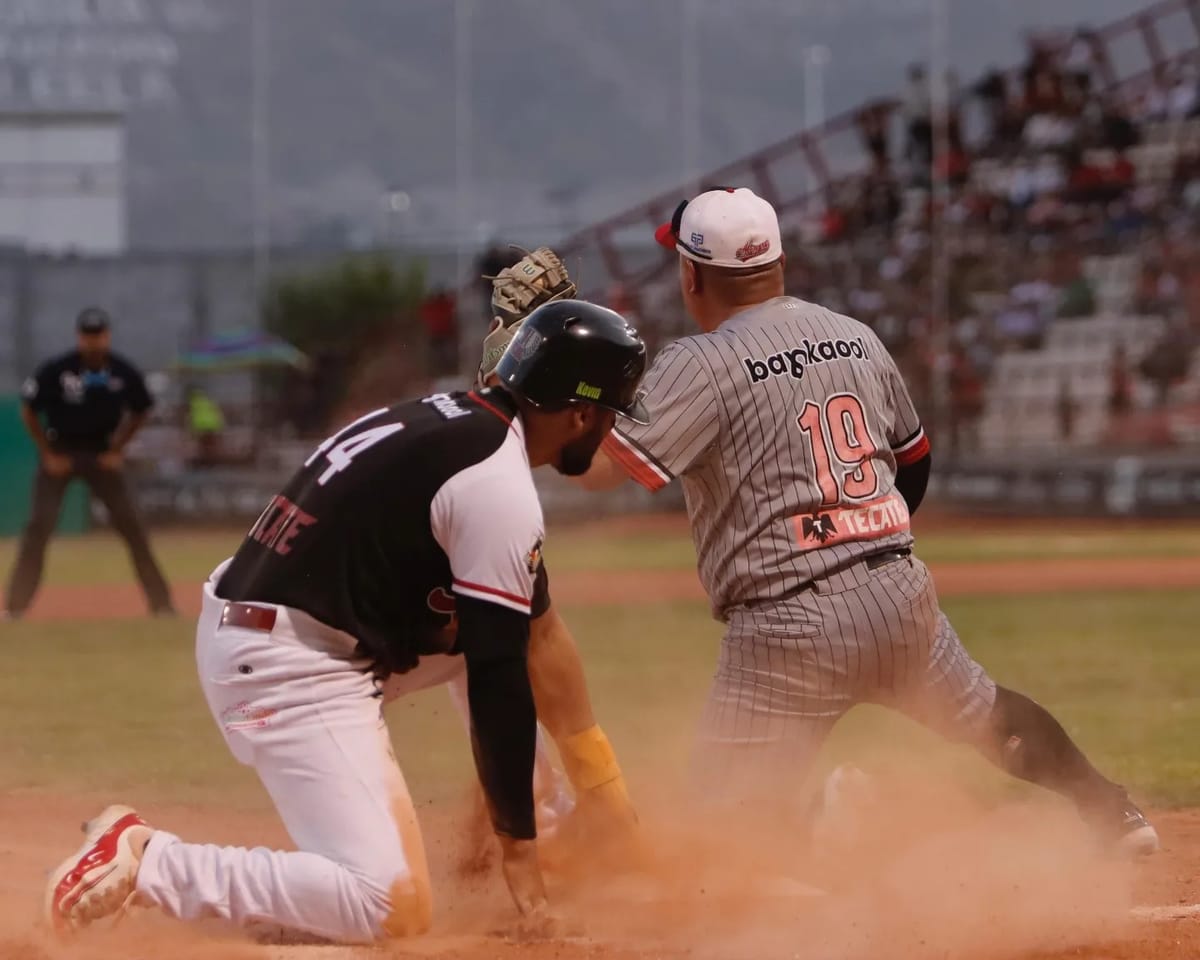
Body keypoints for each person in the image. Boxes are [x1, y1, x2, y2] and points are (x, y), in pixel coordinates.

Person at [44, 300, 650, 944]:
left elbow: (537, 637)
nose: (610, 431)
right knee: (388, 905)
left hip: (289, 628)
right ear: (582, 413)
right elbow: (501, 684)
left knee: (500, 637)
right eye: (610, 416)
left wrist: (603, 792)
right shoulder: (494, 483)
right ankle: (151, 865)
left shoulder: (450, 421)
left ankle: (553, 831)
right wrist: (524, 880)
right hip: (286, 664)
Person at [579, 186, 1158, 856]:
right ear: (777, 263)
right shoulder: (855, 337)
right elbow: (914, 463)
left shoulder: (699, 363)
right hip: (899, 597)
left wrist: (566, 389)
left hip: (785, 626)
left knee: (711, 846)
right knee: (986, 713)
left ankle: (831, 823)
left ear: (691, 274)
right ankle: (1113, 815)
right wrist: (863, 541)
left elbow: (597, 471)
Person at [5, 307, 174, 619]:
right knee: (38, 526)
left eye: (99, 335)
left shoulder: (121, 372)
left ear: (107, 336)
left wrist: (117, 449)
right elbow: (28, 410)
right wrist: (47, 453)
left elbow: (141, 410)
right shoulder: (58, 370)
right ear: (79, 336)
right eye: (88, 336)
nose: (93, 342)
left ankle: (161, 604)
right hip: (61, 453)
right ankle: (15, 607)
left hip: (101, 454)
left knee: (132, 527)